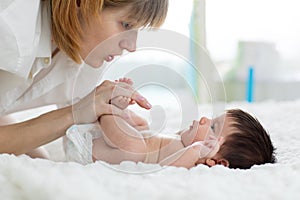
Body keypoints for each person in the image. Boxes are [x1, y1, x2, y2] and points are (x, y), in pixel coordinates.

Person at [0, 0, 169, 157]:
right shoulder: (10, 25)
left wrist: (129, 131)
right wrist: (74, 114)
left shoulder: (89, 56)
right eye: (126, 25)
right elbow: (78, 115)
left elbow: (83, 145)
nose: (131, 46)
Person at [64, 78, 276, 169]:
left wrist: (195, 150)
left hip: (99, 150)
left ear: (218, 162)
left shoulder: (192, 160)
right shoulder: (184, 144)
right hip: (100, 140)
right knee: (143, 126)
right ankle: (119, 111)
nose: (204, 119)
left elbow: (167, 169)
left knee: (134, 145)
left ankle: (108, 110)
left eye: (212, 127)